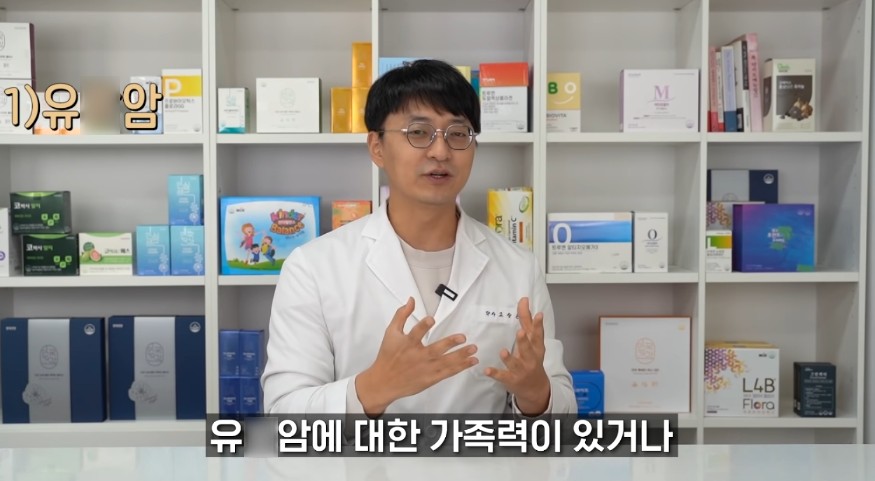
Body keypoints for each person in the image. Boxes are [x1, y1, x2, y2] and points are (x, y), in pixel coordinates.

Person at [261, 59, 575, 418]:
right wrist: (372, 388)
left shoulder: (518, 268)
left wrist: (536, 395)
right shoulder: (313, 267)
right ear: (377, 147)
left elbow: (563, 412)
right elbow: (284, 414)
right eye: (419, 132)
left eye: (458, 133)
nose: (441, 151)